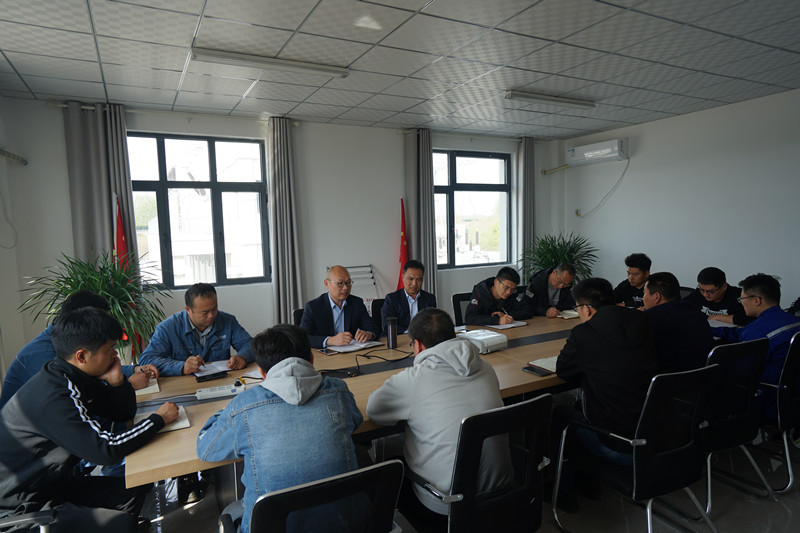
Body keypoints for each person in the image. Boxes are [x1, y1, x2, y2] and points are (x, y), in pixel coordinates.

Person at [0, 307, 178, 532]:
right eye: (110, 349)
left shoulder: (76, 376)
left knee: (132, 491)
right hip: (21, 506)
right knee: (123, 524)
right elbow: (105, 450)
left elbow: (122, 413)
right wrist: (157, 420)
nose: (115, 355)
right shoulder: (55, 394)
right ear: (82, 356)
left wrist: (117, 381)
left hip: (53, 485)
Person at [196, 324, 363, 533]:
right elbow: (355, 421)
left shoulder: (244, 406)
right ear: (312, 359)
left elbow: (206, 448)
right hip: (345, 525)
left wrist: (223, 413)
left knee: (232, 509)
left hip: (271, 525)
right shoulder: (338, 391)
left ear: (261, 372)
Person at [367, 308, 513, 516]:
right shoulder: (486, 367)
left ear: (417, 345)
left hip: (446, 504)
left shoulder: (414, 379)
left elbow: (374, 411)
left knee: (385, 454)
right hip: (499, 492)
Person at [553, 278, 657, 511]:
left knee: (559, 412)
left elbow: (563, 371)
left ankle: (562, 489)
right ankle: (588, 480)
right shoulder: (641, 320)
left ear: (586, 309)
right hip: (655, 438)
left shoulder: (584, 333)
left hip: (618, 447)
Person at [0, 290, 158, 408]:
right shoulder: (45, 356)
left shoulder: (65, 342)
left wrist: (133, 369)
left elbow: (94, 369)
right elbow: (79, 398)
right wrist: (126, 385)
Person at [711, 273, 800, 417]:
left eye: (742, 299)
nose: (741, 303)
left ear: (756, 300)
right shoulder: (792, 320)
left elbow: (742, 371)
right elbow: (742, 333)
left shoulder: (757, 331)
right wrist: (709, 329)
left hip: (766, 396)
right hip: (791, 393)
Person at [139, 283, 254, 376]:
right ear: (188, 310)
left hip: (221, 382)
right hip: (184, 386)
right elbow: (146, 359)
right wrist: (181, 367)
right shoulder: (168, 328)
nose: (211, 316)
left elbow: (250, 344)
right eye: (205, 312)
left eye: (214, 309)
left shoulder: (228, 321)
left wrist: (242, 357)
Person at [642, 272, 715, 373]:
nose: (643, 298)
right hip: (704, 376)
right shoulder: (695, 311)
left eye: (644, 293)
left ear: (657, 296)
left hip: (667, 378)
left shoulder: (649, 317)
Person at [299, 265, 380, 349]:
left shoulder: (356, 303)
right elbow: (303, 338)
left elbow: (373, 328)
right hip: (324, 354)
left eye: (348, 283)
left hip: (350, 352)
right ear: (327, 284)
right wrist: (330, 340)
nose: (345, 288)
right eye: (340, 283)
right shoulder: (313, 307)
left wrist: (368, 334)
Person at [381, 260, 437, 335]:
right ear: (403, 277)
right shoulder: (392, 299)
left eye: (419, 280)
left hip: (423, 338)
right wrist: (410, 332)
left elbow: (432, 323)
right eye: (411, 279)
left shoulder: (429, 298)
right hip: (400, 338)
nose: (414, 284)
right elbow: (388, 325)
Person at [683, 267, 753, 325]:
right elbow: (682, 308)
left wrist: (716, 317)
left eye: (711, 291)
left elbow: (750, 319)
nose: (705, 294)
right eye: (701, 289)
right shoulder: (698, 294)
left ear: (724, 286)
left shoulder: (740, 296)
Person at [464, 266, 532, 326]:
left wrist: (506, 316)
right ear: (496, 282)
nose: (509, 292)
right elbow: (470, 318)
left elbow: (527, 311)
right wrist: (497, 320)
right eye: (506, 287)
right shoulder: (480, 292)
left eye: (512, 289)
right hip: (483, 333)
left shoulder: (513, 293)